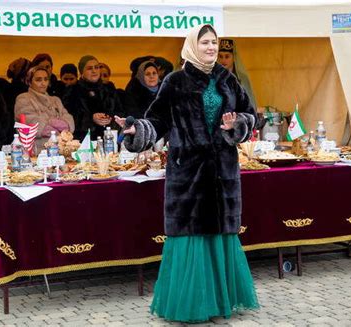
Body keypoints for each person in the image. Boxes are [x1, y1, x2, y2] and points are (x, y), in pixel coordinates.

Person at [115, 24, 259, 322]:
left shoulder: (227, 79)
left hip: (222, 172)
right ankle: (193, 305)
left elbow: (251, 115)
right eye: (205, 42)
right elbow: (157, 120)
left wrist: (238, 125)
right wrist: (136, 130)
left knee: (219, 232)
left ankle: (220, 302)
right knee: (191, 235)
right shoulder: (175, 81)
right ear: (192, 45)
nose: (211, 47)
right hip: (188, 173)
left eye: (214, 42)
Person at [62, 55, 124, 141]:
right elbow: (68, 117)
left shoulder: (109, 89)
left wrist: (109, 118)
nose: (94, 71)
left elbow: (120, 112)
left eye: (96, 67)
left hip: (108, 138)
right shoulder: (73, 91)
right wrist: (90, 118)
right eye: (89, 68)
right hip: (83, 140)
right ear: (82, 72)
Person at [14, 66, 74, 152]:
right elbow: (32, 124)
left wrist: (51, 123)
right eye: (38, 80)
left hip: (61, 150)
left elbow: (69, 120)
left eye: (46, 79)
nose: (43, 83)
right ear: (29, 82)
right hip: (36, 151)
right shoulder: (23, 98)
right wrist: (55, 124)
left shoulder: (56, 100)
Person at [217, 39, 257, 110]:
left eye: (227, 56)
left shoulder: (242, 78)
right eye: (220, 56)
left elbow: (250, 104)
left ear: (233, 57)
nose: (223, 60)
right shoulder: (214, 77)